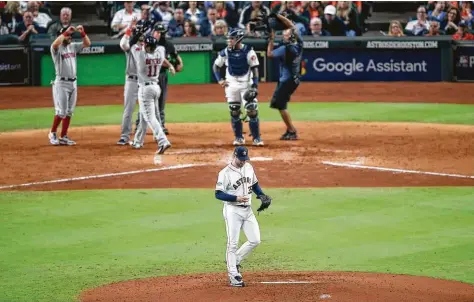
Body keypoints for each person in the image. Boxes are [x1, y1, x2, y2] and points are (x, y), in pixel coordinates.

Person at [215, 146, 271, 287]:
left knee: (255, 240)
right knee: (232, 243)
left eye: (245, 159)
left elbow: (254, 184)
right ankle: (234, 275)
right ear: (234, 156)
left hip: (248, 210)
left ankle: (235, 260)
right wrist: (236, 198)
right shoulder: (225, 173)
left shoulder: (248, 167)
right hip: (232, 210)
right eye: (241, 159)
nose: (243, 161)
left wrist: (261, 195)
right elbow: (218, 194)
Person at [213, 29, 263, 146]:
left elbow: (255, 69)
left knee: (252, 110)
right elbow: (216, 66)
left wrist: (255, 86)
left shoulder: (249, 51)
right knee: (234, 111)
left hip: (246, 83)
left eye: (232, 39)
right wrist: (219, 79)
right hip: (231, 84)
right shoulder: (225, 52)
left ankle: (256, 138)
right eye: (229, 39)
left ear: (239, 39)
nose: (229, 41)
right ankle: (239, 137)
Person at [128, 34, 175, 155]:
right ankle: (138, 141)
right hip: (156, 87)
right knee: (145, 115)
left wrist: (137, 32)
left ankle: (162, 141)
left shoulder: (141, 55)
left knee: (150, 117)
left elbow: (132, 43)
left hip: (145, 89)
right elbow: (160, 47)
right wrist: (170, 65)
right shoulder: (160, 52)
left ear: (148, 46)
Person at [48, 25, 91, 146]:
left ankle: (64, 136)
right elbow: (54, 45)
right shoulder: (56, 49)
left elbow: (87, 44)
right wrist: (66, 32)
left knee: (69, 112)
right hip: (61, 83)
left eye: (70, 35)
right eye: (67, 35)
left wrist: (83, 33)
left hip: (73, 82)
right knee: (61, 111)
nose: (70, 37)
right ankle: (52, 132)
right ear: (62, 36)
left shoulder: (72, 46)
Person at [267, 13, 303, 140]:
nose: (283, 37)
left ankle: (292, 130)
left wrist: (271, 38)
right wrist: (279, 16)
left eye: (285, 35)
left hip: (286, 80)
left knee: (280, 105)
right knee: (281, 104)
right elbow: (292, 26)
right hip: (294, 79)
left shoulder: (285, 49)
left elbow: (270, 54)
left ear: (289, 38)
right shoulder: (299, 44)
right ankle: (290, 130)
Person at [117, 18, 151, 146]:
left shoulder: (147, 47)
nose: (141, 35)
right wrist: (130, 28)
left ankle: (139, 137)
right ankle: (124, 136)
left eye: (142, 33)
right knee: (129, 109)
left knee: (144, 110)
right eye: (139, 33)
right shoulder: (130, 46)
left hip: (143, 81)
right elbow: (123, 43)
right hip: (131, 80)